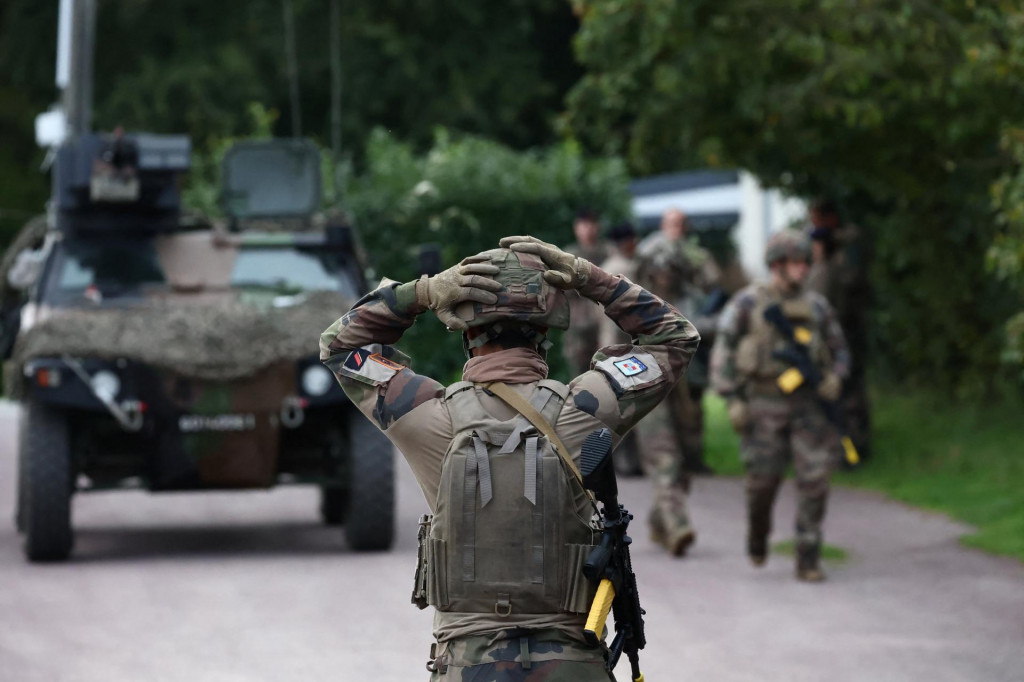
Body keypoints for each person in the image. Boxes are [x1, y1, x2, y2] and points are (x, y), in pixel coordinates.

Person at [320, 235, 699, 679]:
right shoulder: (586, 409)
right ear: (546, 332)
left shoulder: (424, 415)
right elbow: (676, 337)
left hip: (466, 664)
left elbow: (339, 345)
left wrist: (422, 293)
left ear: (465, 332)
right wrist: (588, 276)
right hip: (572, 664)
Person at [710, 231, 850, 582]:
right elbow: (723, 352)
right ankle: (758, 536)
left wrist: (836, 376)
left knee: (815, 480)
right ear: (777, 265)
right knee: (762, 483)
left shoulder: (817, 306)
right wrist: (732, 399)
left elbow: (840, 349)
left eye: (806, 262)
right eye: (796, 263)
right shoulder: (746, 304)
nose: (803, 269)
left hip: (809, 405)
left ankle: (808, 556)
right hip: (762, 403)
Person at [805, 198, 872, 460]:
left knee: (849, 392)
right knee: (840, 392)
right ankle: (846, 450)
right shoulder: (831, 253)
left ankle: (853, 451)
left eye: (818, 219)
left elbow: (848, 283)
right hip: (836, 330)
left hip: (848, 328)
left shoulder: (845, 248)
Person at [598, 222, 642, 477]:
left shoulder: (606, 267)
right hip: (625, 346)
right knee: (628, 405)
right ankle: (627, 462)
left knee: (614, 404)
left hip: (609, 345)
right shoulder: (626, 270)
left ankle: (618, 461)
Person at [561, 209, 610, 376]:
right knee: (580, 378)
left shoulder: (609, 252)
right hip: (578, 328)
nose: (588, 228)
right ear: (576, 228)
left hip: (606, 324)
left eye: (591, 223)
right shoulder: (567, 256)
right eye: (583, 224)